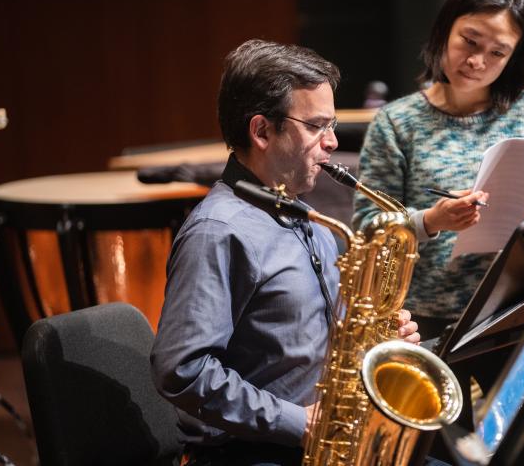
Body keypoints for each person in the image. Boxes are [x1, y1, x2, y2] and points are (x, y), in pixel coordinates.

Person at [150, 39, 421, 466]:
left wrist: (376, 338)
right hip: (251, 452)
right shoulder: (219, 231)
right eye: (316, 126)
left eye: (331, 125)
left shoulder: (308, 218)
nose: (331, 142)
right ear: (261, 131)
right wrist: (300, 423)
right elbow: (182, 370)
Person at [353, 0, 524, 339]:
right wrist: (430, 221)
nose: (477, 61)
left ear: (514, 58)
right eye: (469, 41)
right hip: (422, 320)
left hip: (520, 306)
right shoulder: (397, 122)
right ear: (445, 30)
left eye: (497, 52)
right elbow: (367, 227)